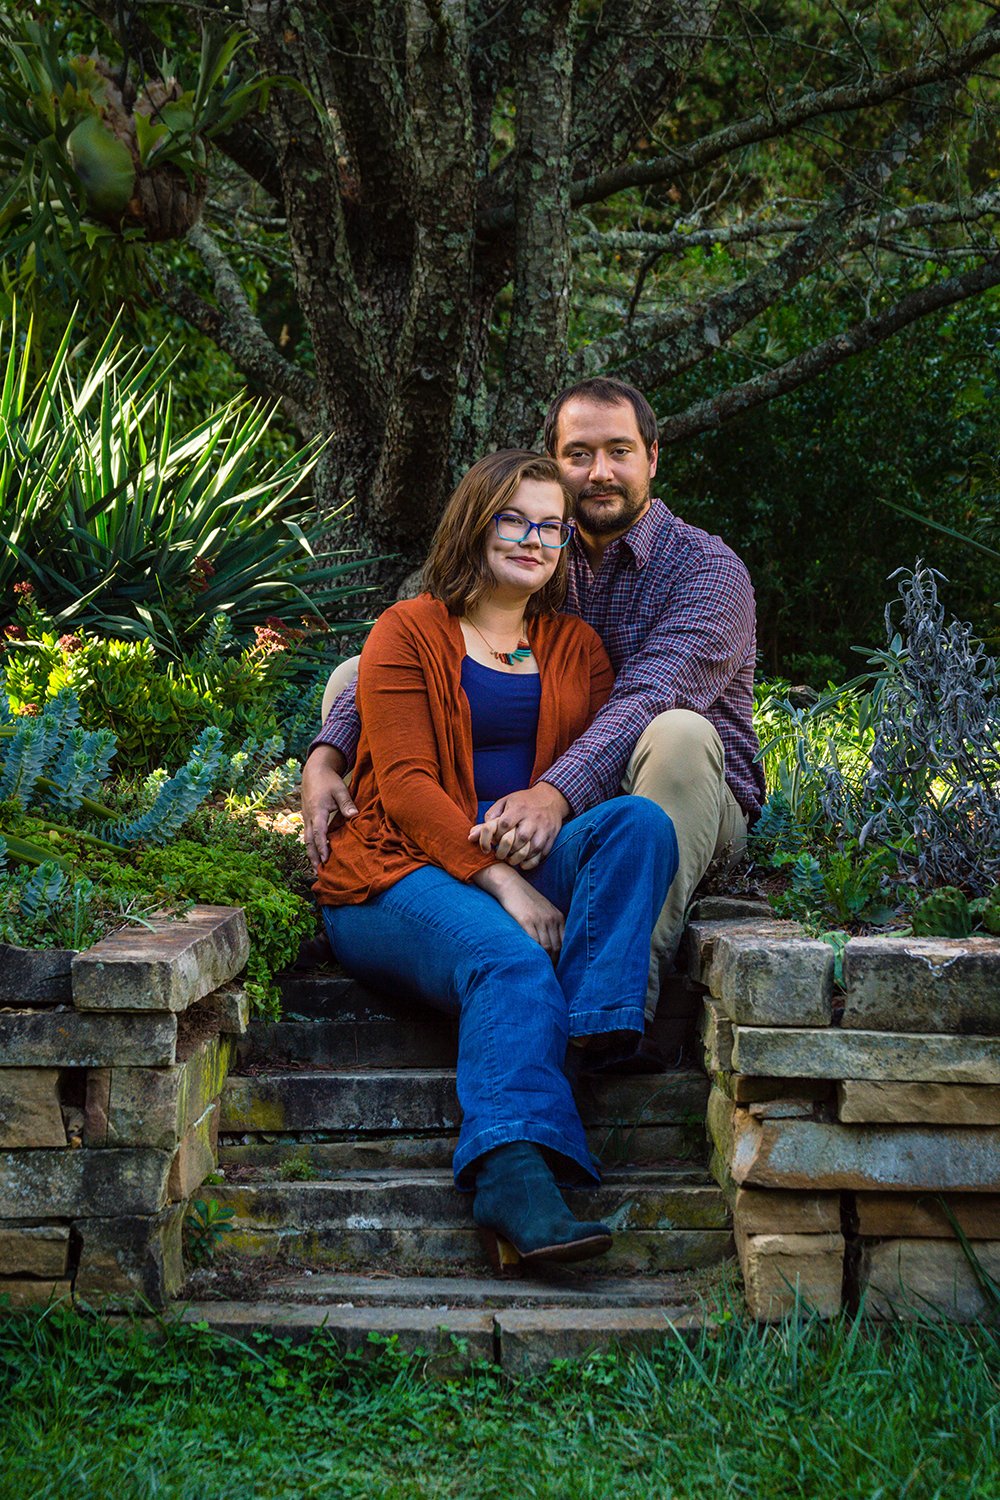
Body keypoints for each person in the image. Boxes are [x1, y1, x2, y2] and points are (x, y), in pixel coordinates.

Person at [303, 378, 763, 1032]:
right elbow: (415, 651)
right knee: (352, 672)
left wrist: (552, 795)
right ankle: (441, 882)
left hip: (683, 798)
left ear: (652, 458)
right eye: (579, 454)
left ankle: (633, 994)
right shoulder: (538, 547)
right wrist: (328, 754)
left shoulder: (707, 571)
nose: (599, 472)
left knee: (678, 732)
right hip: (558, 803)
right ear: (555, 462)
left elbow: (646, 698)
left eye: (619, 451)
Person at [314, 449, 678, 1268]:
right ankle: (509, 1178)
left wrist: (531, 846)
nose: (533, 539)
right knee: (510, 961)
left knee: (639, 824)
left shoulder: (576, 647)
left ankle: (586, 1034)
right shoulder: (408, 629)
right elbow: (403, 788)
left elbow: (592, 770)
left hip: (512, 858)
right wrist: (505, 882)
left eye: (550, 526)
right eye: (514, 519)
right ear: (475, 524)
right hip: (394, 874)